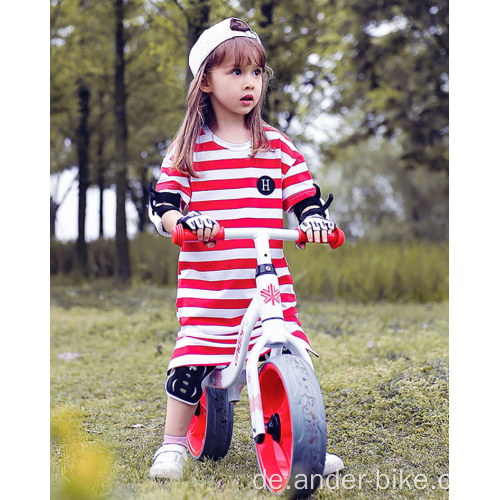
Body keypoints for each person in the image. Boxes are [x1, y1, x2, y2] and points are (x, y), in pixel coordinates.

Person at [147, 17, 344, 481]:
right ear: (206, 82)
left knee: (286, 353)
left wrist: (314, 219)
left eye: (256, 72)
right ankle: (172, 445)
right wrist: (183, 221)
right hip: (210, 290)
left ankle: (304, 442)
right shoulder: (188, 149)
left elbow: (303, 194)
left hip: (268, 284)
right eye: (235, 72)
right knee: (191, 365)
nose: (249, 83)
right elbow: (164, 204)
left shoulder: (275, 145)